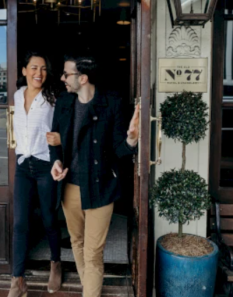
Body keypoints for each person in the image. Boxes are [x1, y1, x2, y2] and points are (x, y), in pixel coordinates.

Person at [47, 54, 140, 297]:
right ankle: (89, 287)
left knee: (93, 251)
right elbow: (55, 141)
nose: (62, 78)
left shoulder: (111, 102)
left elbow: (120, 149)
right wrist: (55, 160)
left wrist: (131, 138)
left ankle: (90, 293)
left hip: (101, 187)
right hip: (70, 187)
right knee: (77, 243)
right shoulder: (64, 103)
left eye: (66, 74)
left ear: (83, 77)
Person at [8, 51, 62, 297]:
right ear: (24, 71)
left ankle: (56, 263)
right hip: (23, 166)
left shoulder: (52, 98)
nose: (38, 73)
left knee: (49, 218)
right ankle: (17, 281)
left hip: (44, 165)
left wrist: (59, 143)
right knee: (20, 223)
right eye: (33, 68)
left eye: (42, 68)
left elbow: (63, 127)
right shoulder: (17, 96)